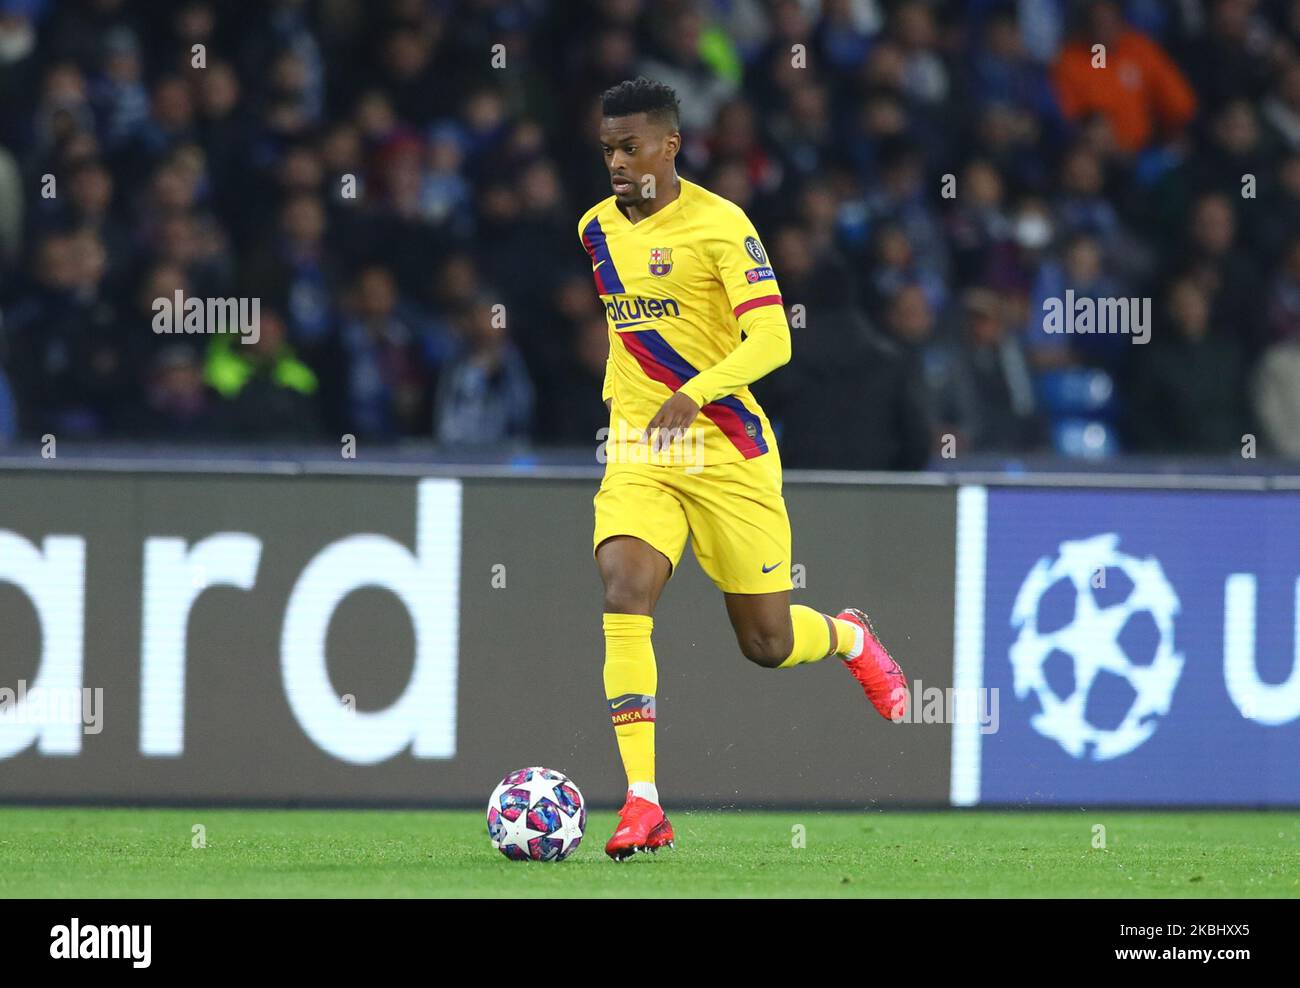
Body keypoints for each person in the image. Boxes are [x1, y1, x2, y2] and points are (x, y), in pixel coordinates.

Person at [578, 78, 908, 861]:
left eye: (629, 147)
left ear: (669, 145)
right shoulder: (594, 230)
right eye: (606, 150)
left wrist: (692, 393)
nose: (617, 163)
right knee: (624, 585)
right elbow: (637, 339)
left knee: (763, 642)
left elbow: (773, 344)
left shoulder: (723, 227)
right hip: (642, 449)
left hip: (726, 449)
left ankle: (848, 638)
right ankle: (642, 801)